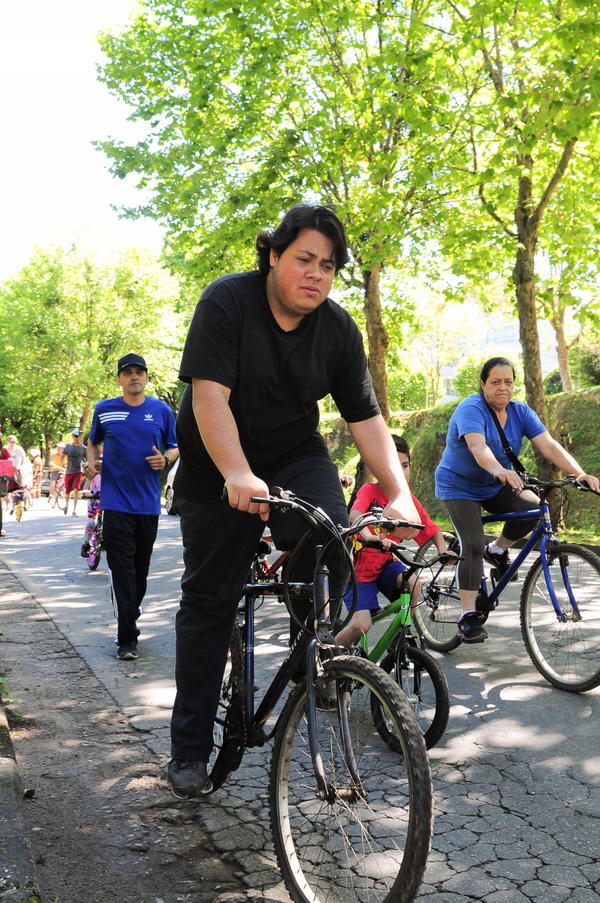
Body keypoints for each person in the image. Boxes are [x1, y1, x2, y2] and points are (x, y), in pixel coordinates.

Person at [167, 203, 420, 799]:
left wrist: (401, 495)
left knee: (332, 533)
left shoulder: (338, 330)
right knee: (210, 600)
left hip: (292, 453)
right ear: (274, 255)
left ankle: (314, 649)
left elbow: (366, 419)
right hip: (215, 462)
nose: (316, 274)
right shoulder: (227, 302)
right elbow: (209, 397)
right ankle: (189, 749)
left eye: (328, 266)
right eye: (305, 259)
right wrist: (236, 472)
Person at [435, 356, 600, 643]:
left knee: (532, 507)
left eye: (508, 382)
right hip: (459, 486)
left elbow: (549, 445)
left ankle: (498, 550)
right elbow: (478, 447)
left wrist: (580, 473)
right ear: (483, 384)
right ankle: (467, 614)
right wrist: (499, 469)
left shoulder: (520, 412)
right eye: (496, 382)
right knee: (472, 543)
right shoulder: (471, 408)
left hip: (495, 484)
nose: (503, 387)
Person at [86, 353, 178, 661]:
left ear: (147, 377)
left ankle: (130, 612)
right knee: (121, 568)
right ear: (119, 379)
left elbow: (174, 446)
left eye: (139, 371)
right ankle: (127, 637)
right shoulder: (105, 409)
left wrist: (165, 459)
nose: (134, 376)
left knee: (140, 570)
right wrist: (91, 464)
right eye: (128, 372)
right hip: (115, 503)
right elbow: (93, 442)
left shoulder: (161, 410)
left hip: (148, 505)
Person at [336, 435, 454, 648]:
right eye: (392, 466)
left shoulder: (408, 501)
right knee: (361, 625)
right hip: (357, 572)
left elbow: (432, 530)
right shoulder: (369, 490)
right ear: (377, 468)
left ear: (411, 466)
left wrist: (443, 550)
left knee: (414, 583)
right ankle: (326, 656)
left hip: (385, 566)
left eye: (404, 466)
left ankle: (400, 633)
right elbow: (355, 514)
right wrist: (369, 536)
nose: (399, 472)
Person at [62, 430, 86, 516]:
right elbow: (62, 457)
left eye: (78, 436)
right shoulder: (68, 446)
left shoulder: (84, 448)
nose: (76, 438)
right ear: (72, 437)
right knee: (67, 491)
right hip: (69, 471)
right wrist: (63, 464)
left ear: (81, 437)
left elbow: (87, 460)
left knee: (76, 489)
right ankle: (66, 504)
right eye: (74, 436)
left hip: (78, 472)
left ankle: (74, 510)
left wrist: (85, 465)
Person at [80, 470, 101, 558]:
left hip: (109, 501)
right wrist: (86, 492)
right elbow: (86, 485)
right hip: (94, 499)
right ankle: (85, 544)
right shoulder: (95, 471)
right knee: (91, 523)